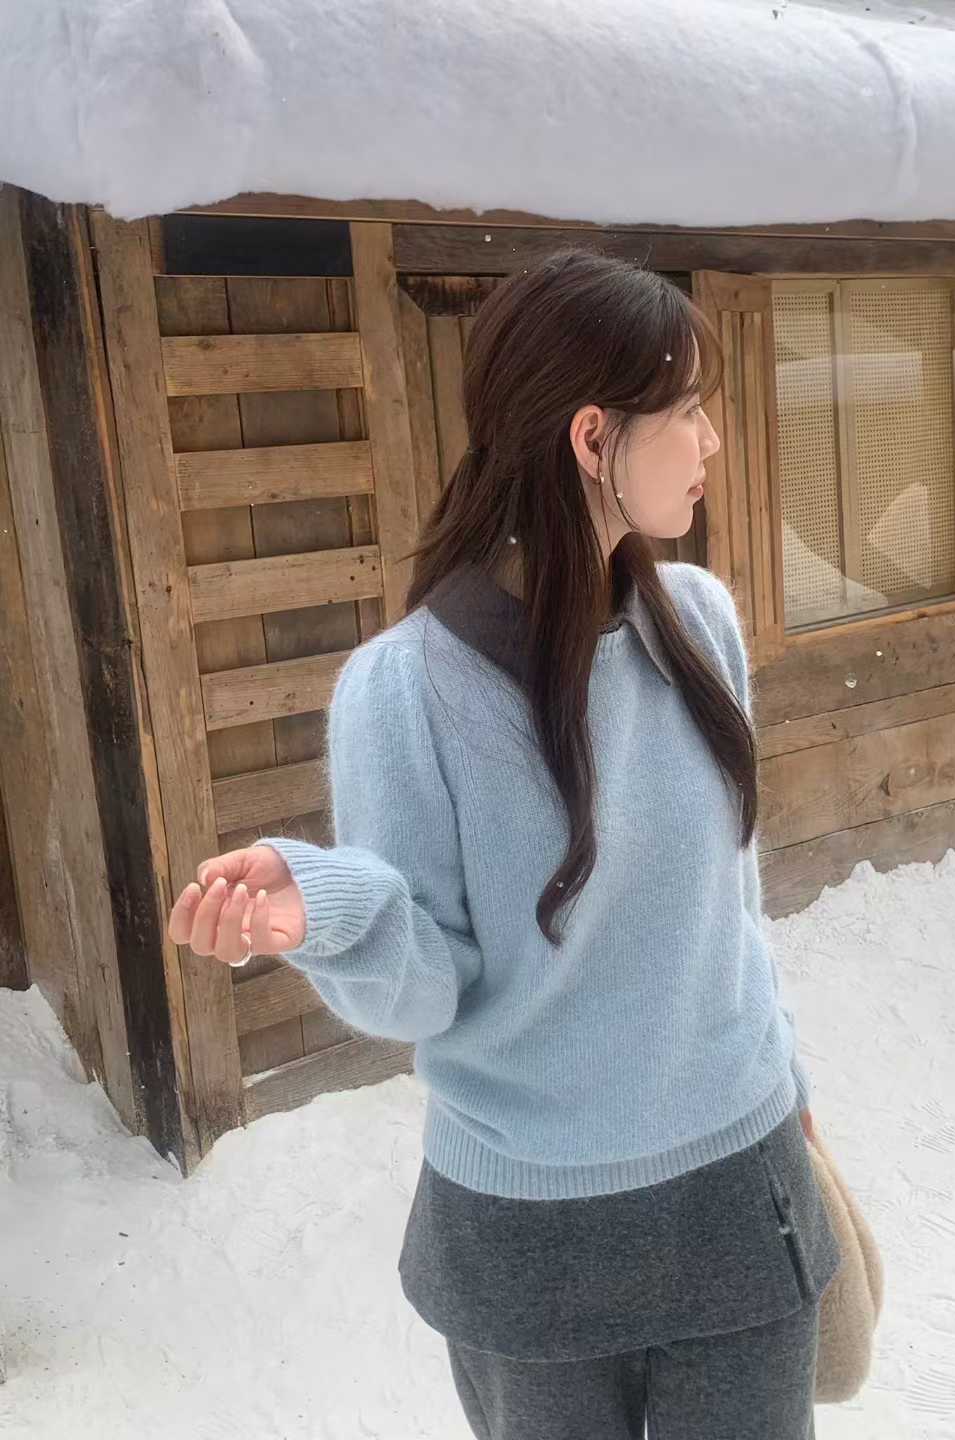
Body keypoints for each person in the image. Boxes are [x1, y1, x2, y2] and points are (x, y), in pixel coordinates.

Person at [167, 247, 841, 1440]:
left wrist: (788, 1096)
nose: (712, 439)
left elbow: (731, 918)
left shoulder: (702, 627)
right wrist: (325, 912)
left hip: (741, 1199)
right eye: (687, 411)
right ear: (593, 437)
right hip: (533, 1247)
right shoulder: (405, 692)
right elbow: (431, 982)